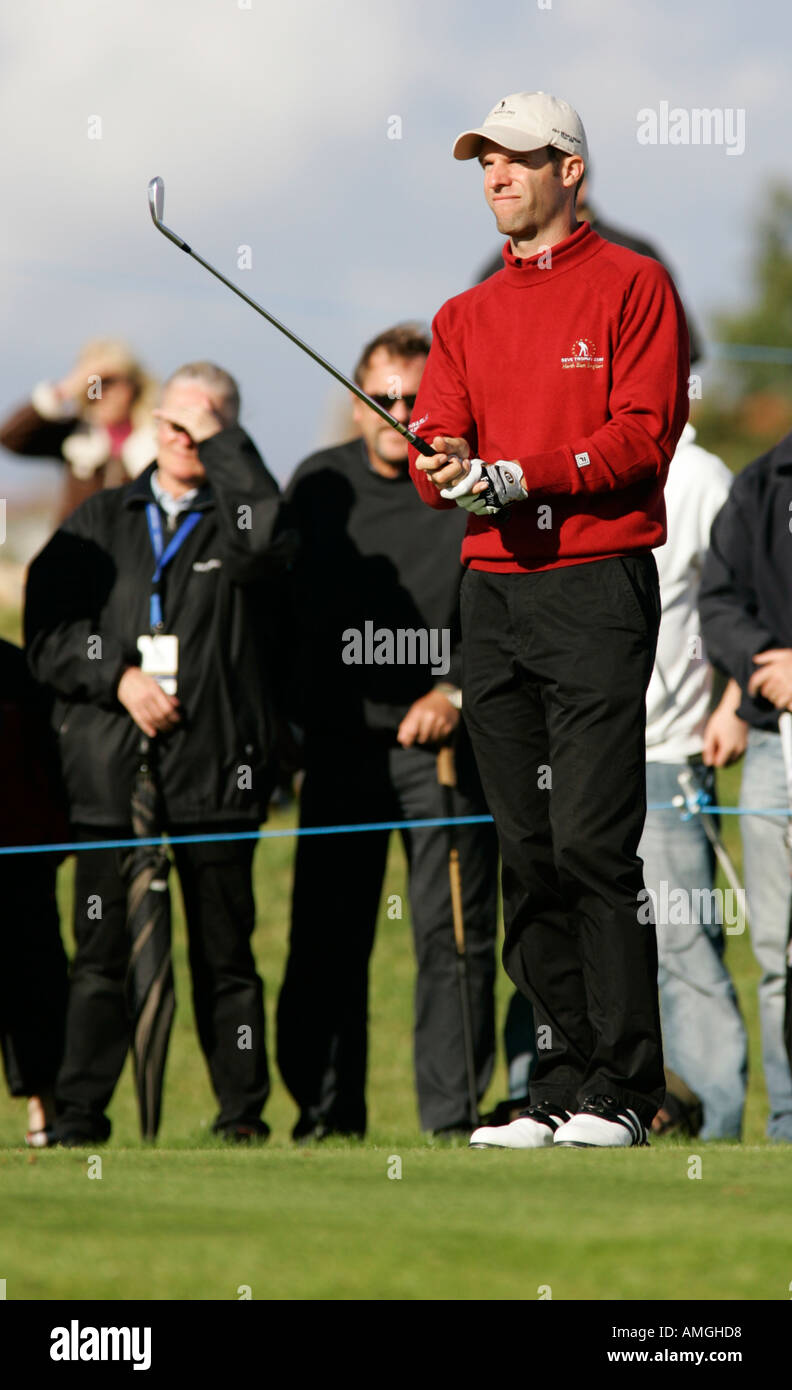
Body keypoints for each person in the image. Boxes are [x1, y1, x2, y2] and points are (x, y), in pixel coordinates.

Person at [408, 91, 689, 1149]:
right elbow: (438, 436)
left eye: (519, 159)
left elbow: (640, 437)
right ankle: (558, 1080)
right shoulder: (463, 315)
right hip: (494, 593)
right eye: (485, 160)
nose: (496, 175)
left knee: (591, 842)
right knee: (524, 846)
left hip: (595, 584)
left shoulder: (634, 285)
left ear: (572, 170)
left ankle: (626, 1086)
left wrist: (521, 474)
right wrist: (443, 460)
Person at [25, 361, 285, 1146]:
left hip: (217, 770)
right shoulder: (99, 517)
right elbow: (48, 639)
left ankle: (241, 1119)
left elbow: (265, 545)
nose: (183, 439)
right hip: (109, 768)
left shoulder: (246, 518)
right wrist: (120, 676)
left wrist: (225, 447)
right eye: (173, 422)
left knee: (225, 959)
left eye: (204, 427)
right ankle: (77, 1119)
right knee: (100, 957)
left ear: (230, 435)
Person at [274, 323, 499, 1139]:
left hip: (440, 750)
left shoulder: (466, 487)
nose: (398, 412)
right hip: (338, 750)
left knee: (455, 938)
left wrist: (457, 690)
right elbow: (279, 612)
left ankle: (453, 1121)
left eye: (412, 397)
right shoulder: (317, 484)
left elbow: (502, 602)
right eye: (382, 397)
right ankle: (327, 1117)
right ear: (358, 399)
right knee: (327, 940)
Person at [640, 424, 748, 1140]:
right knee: (564, 938)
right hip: (572, 758)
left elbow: (750, 594)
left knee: (683, 945)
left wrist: (734, 703)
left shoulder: (701, 475)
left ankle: (713, 1126)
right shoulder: (568, 461)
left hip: (667, 754)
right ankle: (557, 1107)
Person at [699, 426, 792, 1143]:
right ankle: (789, 1124)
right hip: (773, 745)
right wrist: (766, 663)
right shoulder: (759, 483)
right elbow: (720, 602)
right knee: (778, 955)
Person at [474, 166, 703, 366]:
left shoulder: (637, 257)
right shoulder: (500, 269)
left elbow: (681, 347)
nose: (501, 184)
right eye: (489, 165)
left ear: (574, 179)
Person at [0, 639, 69, 1145]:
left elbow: (49, 762)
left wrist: (53, 836)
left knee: (36, 978)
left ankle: (45, 1110)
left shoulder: (15, 669)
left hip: (20, 853)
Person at [0, 339, 157, 522]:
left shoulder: (157, 441)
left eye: (111, 383)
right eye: (95, 384)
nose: (101, 392)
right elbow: (11, 438)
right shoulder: (78, 436)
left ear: (133, 385)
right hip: (75, 549)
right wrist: (65, 389)